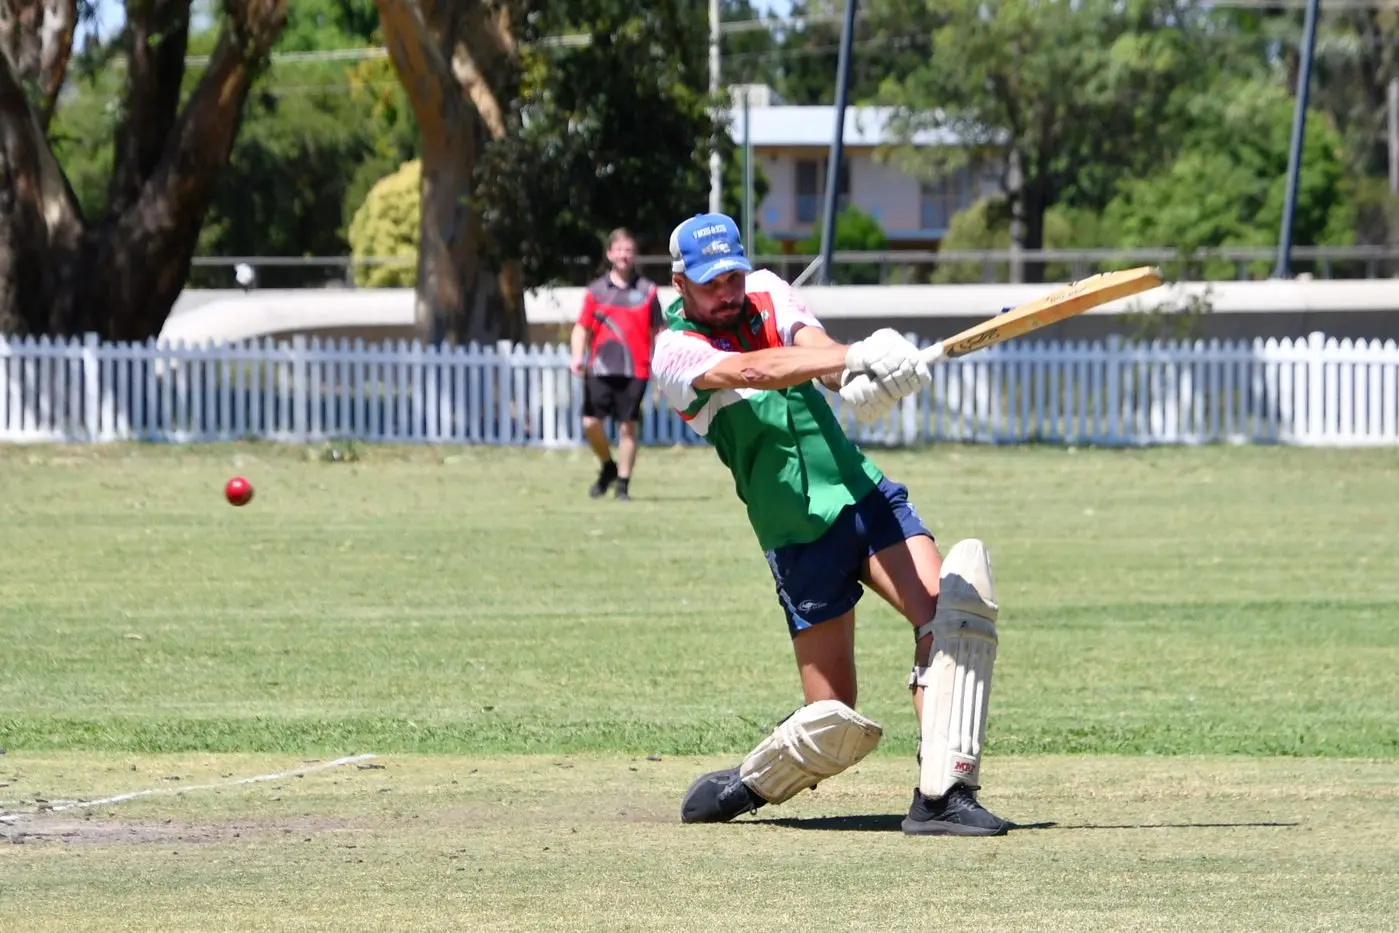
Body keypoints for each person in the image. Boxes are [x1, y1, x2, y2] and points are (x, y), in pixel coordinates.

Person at [651, 212, 1012, 836]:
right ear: (680, 283)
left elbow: (811, 353)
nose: (728, 292)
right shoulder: (673, 351)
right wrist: (853, 355)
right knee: (833, 717)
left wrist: (856, 373)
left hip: (864, 496)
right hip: (796, 535)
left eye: (733, 276)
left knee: (949, 622)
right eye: (712, 283)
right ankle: (749, 784)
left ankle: (944, 793)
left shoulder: (766, 289)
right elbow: (751, 371)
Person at [570, 227, 663, 501]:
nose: (624, 255)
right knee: (590, 423)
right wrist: (577, 356)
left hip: (636, 368)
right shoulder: (596, 292)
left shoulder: (648, 291)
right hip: (599, 367)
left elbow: (658, 330)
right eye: (619, 249)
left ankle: (623, 483)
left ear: (634, 255)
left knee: (627, 427)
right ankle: (608, 466)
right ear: (610, 253)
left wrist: (664, 362)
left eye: (629, 250)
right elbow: (581, 328)